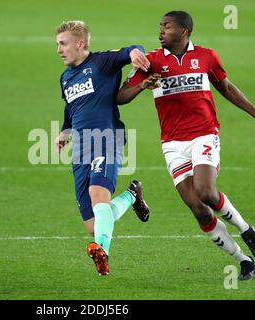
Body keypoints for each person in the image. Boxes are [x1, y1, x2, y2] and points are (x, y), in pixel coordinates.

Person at [116, 11, 255, 280]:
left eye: (166, 27)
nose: (160, 31)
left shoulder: (206, 57)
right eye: (159, 26)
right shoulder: (151, 61)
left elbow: (226, 88)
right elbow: (121, 97)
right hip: (172, 143)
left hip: (204, 134)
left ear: (183, 32)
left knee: (205, 191)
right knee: (197, 207)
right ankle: (243, 260)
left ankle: (246, 229)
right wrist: (142, 85)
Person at [55, 20, 151, 275]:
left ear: (81, 43)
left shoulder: (101, 62)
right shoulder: (65, 78)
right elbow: (70, 107)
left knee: (99, 196)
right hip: (81, 150)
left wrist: (134, 53)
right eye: (57, 44)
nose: (59, 49)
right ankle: (132, 195)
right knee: (94, 223)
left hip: (107, 139)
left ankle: (102, 252)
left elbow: (129, 50)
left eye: (63, 44)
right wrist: (65, 131)